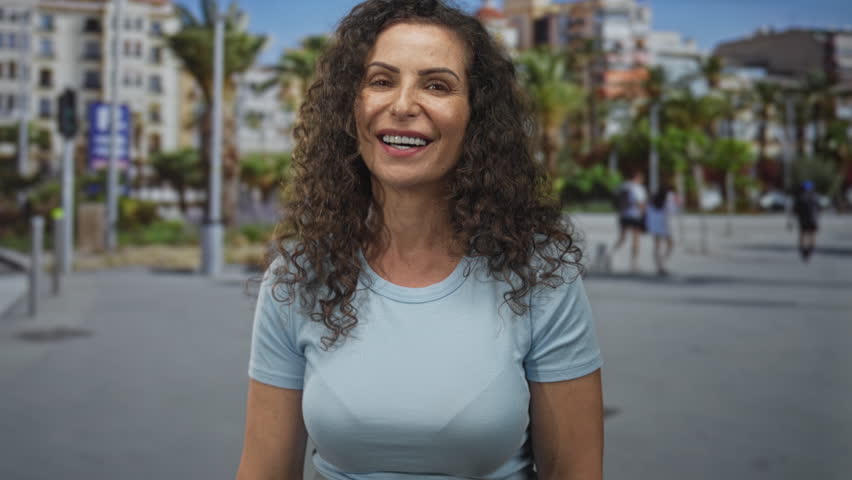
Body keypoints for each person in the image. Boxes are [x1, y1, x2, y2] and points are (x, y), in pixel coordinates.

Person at [236, 1, 603, 479]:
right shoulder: (300, 274)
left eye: (437, 85)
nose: (403, 105)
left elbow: (573, 471)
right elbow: (264, 471)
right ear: (352, 107)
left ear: (477, 117)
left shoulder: (538, 272)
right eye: (382, 81)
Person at [612, 170, 647, 272]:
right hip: (635, 216)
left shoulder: (623, 186)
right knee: (636, 240)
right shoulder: (637, 188)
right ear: (637, 177)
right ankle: (634, 264)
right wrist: (644, 214)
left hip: (623, 215)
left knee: (622, 238)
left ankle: (610, 254)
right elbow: (640, 203)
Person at [645, 185, 676, 276]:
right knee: (670, 244)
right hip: (662, 225)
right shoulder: (667, 200)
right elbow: (673, 211)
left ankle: (659, 265)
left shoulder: (653, 200)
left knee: (657, 246)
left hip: (655, 226)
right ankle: (662, 263)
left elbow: (648, 212)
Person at [793, 180, 820, 262]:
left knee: (803, 234)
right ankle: (810, 250)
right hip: (813, 219)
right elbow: (819, 208)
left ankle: (803, 250)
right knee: (812, 235)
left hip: (803, 220)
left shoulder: (799, 197)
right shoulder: (815, 196)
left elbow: (795, 210)